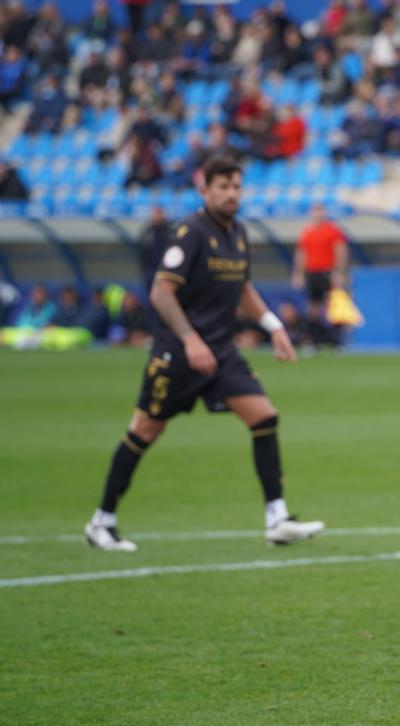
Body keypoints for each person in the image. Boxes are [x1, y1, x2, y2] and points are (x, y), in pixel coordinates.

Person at [83, 157, 324, 552]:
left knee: (264, 416)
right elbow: (162, 292)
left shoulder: (239, 233)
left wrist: (274, 327)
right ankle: (101, 521)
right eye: (223, 187)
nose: (231, 194)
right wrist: (191, 341)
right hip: (178, 353)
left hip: (222, 351)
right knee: (145, 431)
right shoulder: (190, 233)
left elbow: (243, 289)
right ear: (204, 190)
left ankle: (276, 518)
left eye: (236, 186)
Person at [292, 202, 349, 347]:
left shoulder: (333, 231)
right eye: (314, 211)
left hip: (327, 272)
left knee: (334, 306)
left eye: (320, 211)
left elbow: (340, 251)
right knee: (313, 308)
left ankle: (337, 342)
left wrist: (339, 272)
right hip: (312, 273)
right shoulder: (307, 232)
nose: (317, 214)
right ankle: (313, 341)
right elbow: (301, 254)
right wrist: (298, 274)